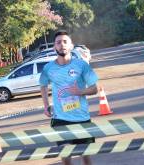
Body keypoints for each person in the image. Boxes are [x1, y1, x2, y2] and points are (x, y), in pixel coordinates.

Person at [39, 30, 98, 165]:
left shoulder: (82, 65)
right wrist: (46, 105)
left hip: (82, 118)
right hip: (60, 119)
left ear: (71, 46)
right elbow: (42, 85)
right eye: (58, 42)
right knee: (65, 155)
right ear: (54, 47)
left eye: (65, 42)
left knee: (86, 157)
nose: (62, 45)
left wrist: (80, 92)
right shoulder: (48, 68)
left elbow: (94, 88)